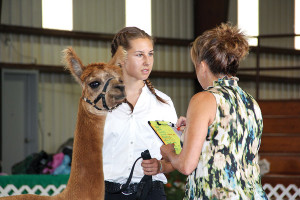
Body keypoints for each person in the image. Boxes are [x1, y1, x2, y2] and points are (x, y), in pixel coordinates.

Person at [160, 23, 268, 199]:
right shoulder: (251, 102)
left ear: (202, 66)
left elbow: (186, 166)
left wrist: (169, 153)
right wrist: (193, 129)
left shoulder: (203, 99)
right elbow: (225, 141)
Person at [103, 26, 178, 200]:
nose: (147, 61)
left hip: (151, 192)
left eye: (150, 54)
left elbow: (177, 156)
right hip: (107, 193)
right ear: (121, 58)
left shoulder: (164, 103)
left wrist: (161, 166)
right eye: (139, 55)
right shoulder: (101, 103)